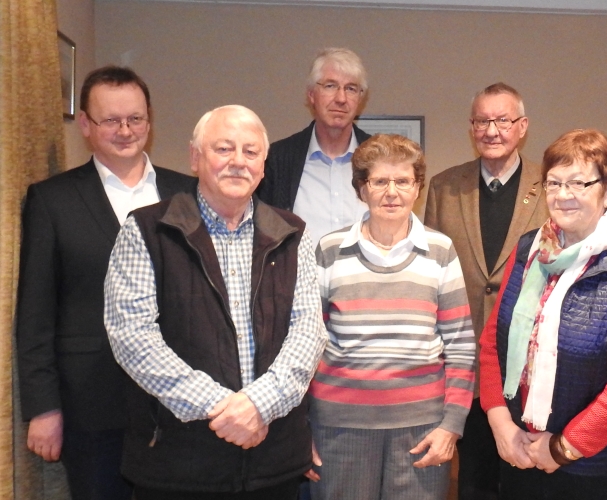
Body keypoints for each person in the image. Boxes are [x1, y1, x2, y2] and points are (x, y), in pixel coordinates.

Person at [103, 105, 327, 499]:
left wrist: (259, 405)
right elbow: (133, 337)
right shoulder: (147, 230)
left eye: (251, 152)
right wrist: (222, 408)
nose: (238, 162)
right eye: (224, 149)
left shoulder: (293, 233)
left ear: (263, 164)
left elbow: (308, 330)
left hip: (272, 460)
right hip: (178, 462)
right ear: (195, 157)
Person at [15, 65, 194, 499]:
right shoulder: (51, 199)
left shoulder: (188, 194)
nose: (125, 130)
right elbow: (36, 313)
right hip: (92, 406)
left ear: (149, 122)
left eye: (135, 118)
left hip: (180, 403)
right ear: (85, 126)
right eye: (111, 120)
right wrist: (43, 408)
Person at [480, 129, 607, 499]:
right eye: (554, 182)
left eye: (579, 183)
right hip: (518, 447)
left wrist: (563, 447)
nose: (563, 195)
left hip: (587, 464)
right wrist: (500, 421)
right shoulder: (528, 250)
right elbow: (491, 344)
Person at [307, 134, 476, 500]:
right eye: (379, 181)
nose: (392, 192)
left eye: (403, 181)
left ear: (417, 188)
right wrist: (300, 428)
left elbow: (461, 346)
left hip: (422, 430)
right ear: (361, 189)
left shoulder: (441, 251)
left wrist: (451, 426)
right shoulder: (328, 250)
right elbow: (304, 343)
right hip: (339, 427)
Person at [424, 82, 547, 500]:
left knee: (526, 478)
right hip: (466, 360)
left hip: (531, 362)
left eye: (502, 120)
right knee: (473, 478)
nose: (491, 130)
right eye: (482, 121)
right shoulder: (443, 187)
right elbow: (431, 274)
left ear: (522, 126)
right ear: (471, 126)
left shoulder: (550, 186)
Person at [256, 47, 371, 246]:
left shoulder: (380, 159)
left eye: (351, 88)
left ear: (359, 99)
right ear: (311, 95)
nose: (341, 99)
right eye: (330, 86)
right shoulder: (276, 160)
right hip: (298, 277)